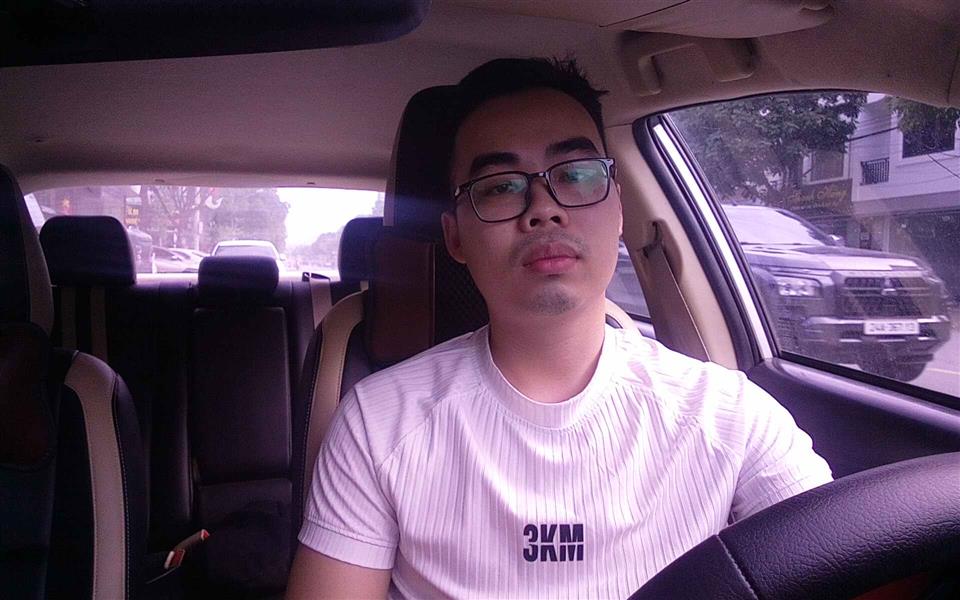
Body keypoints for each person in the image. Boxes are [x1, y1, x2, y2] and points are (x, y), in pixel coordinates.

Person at [286, 58, 832, 599]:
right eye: (500, 187)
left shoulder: (729, 416)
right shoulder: (378, 423)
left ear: (618, 210)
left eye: (576, 174)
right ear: (455, 238)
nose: (543, 210)